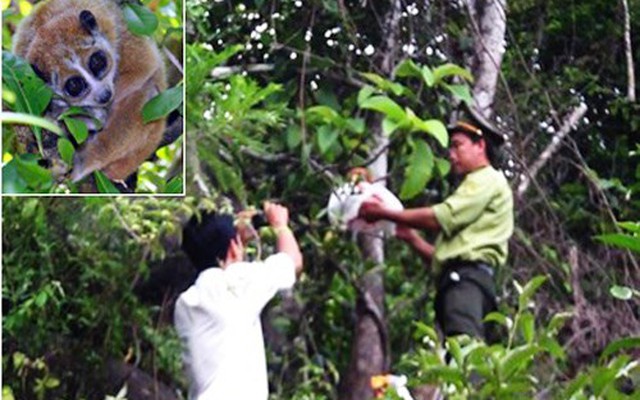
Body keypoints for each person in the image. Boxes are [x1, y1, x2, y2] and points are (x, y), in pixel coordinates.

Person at [359, 118, 514, 340]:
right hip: (463, 280)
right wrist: (412, 238)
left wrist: (383, 212)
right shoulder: (475, 188)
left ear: (480, 145)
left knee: (465, 354)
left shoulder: (486, 179)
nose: (451, 154)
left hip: (467, 282)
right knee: (460, 355)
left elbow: (441, 217)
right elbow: (443, 258)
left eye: (458, 145)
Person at [174, 202, 303, 400]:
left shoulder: (186, 302)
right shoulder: (239, 284)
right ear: (234, 248)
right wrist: (280, 224)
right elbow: (293, 262)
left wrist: (231, 239)